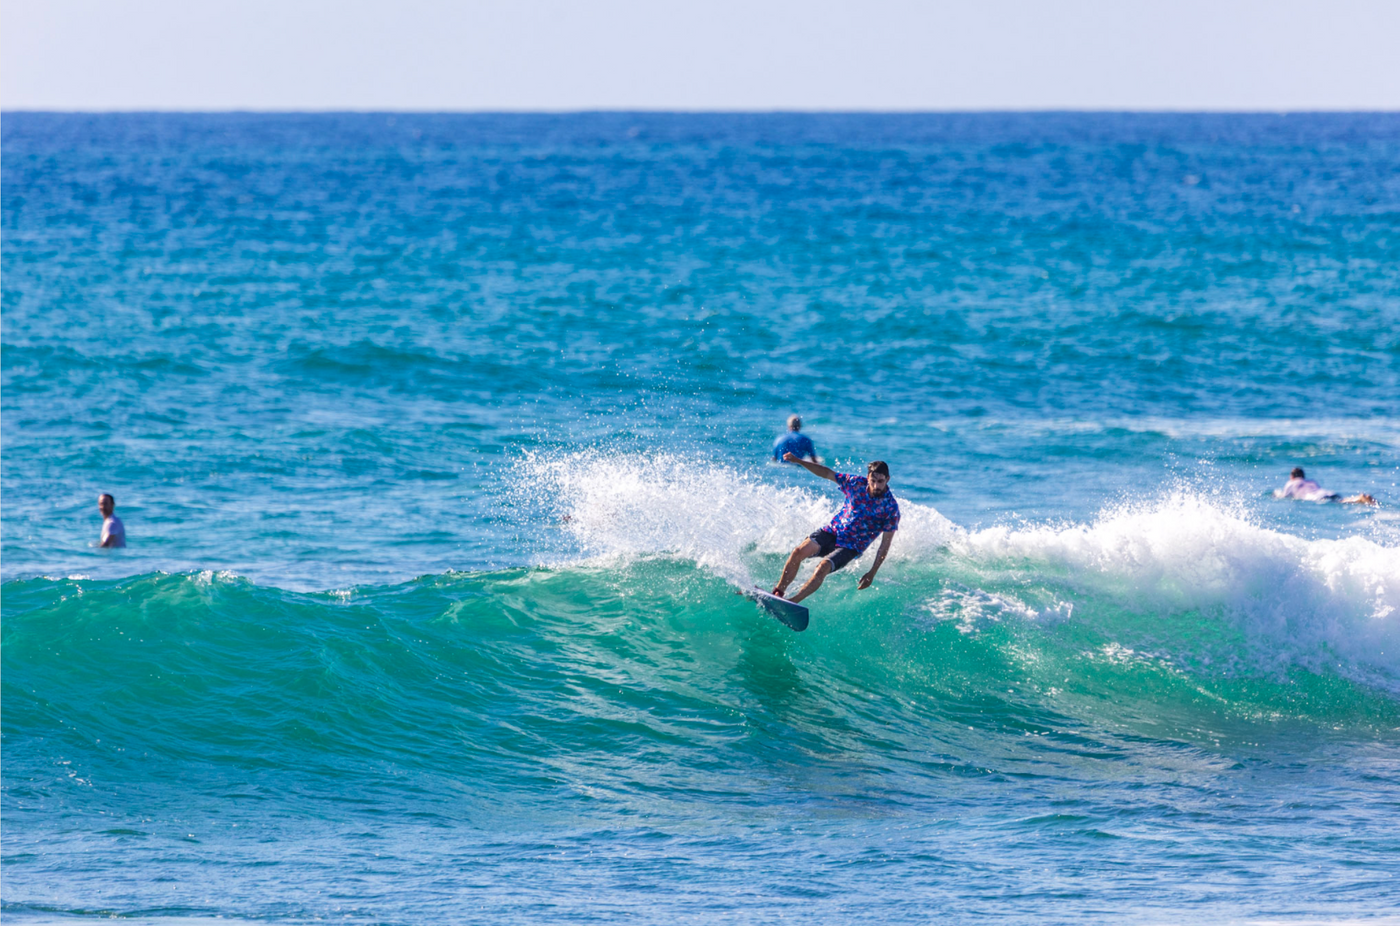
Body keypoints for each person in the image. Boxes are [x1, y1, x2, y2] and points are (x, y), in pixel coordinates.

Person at [771, 456, 899, 604]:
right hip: (832, 532)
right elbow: (827, 473)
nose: (876, 486)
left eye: (881, 481)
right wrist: (799, 461)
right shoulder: (855, 483)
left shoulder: (890, 508)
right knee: (798, 552)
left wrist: (872, 573)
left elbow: (885, 544)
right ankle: (778, 592)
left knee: (822, 567)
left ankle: (792, 602)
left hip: (850, 547)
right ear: (868, 477)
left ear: (887, 479)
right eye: (873, 481)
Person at [1275, 468, 1376, 505]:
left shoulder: (1291, 483)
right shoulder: (1311, 481)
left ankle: (1359, 499)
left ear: (1292, 476)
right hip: (1328, 493)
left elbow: (1284, 496)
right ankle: (1359, 498)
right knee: (1340, 500)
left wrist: (1275, 495)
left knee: (1338, 502)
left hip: (1316, 497)